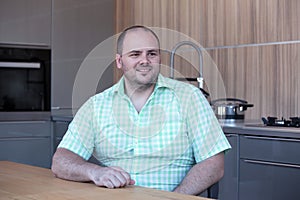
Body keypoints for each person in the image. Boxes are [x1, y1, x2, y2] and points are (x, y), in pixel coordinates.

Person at [51, 25, 231, 196]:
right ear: (120, 61)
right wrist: (95, 172)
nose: (144, 60)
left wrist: (176, 198)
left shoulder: (189, 97)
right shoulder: (96, 105)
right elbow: (61, 161)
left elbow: (214, 163)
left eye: (151, 53)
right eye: (135, 54)